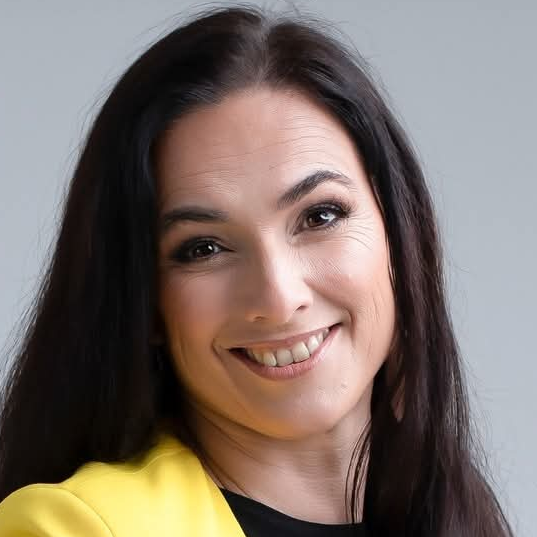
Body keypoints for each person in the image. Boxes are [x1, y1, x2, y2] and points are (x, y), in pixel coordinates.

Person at [0, 4, 514, 536]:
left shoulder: (451, 511)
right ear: (144, 302)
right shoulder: (75, 527)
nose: (278, 297)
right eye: (204, 248)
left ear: (400, 233)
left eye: (320, 216)